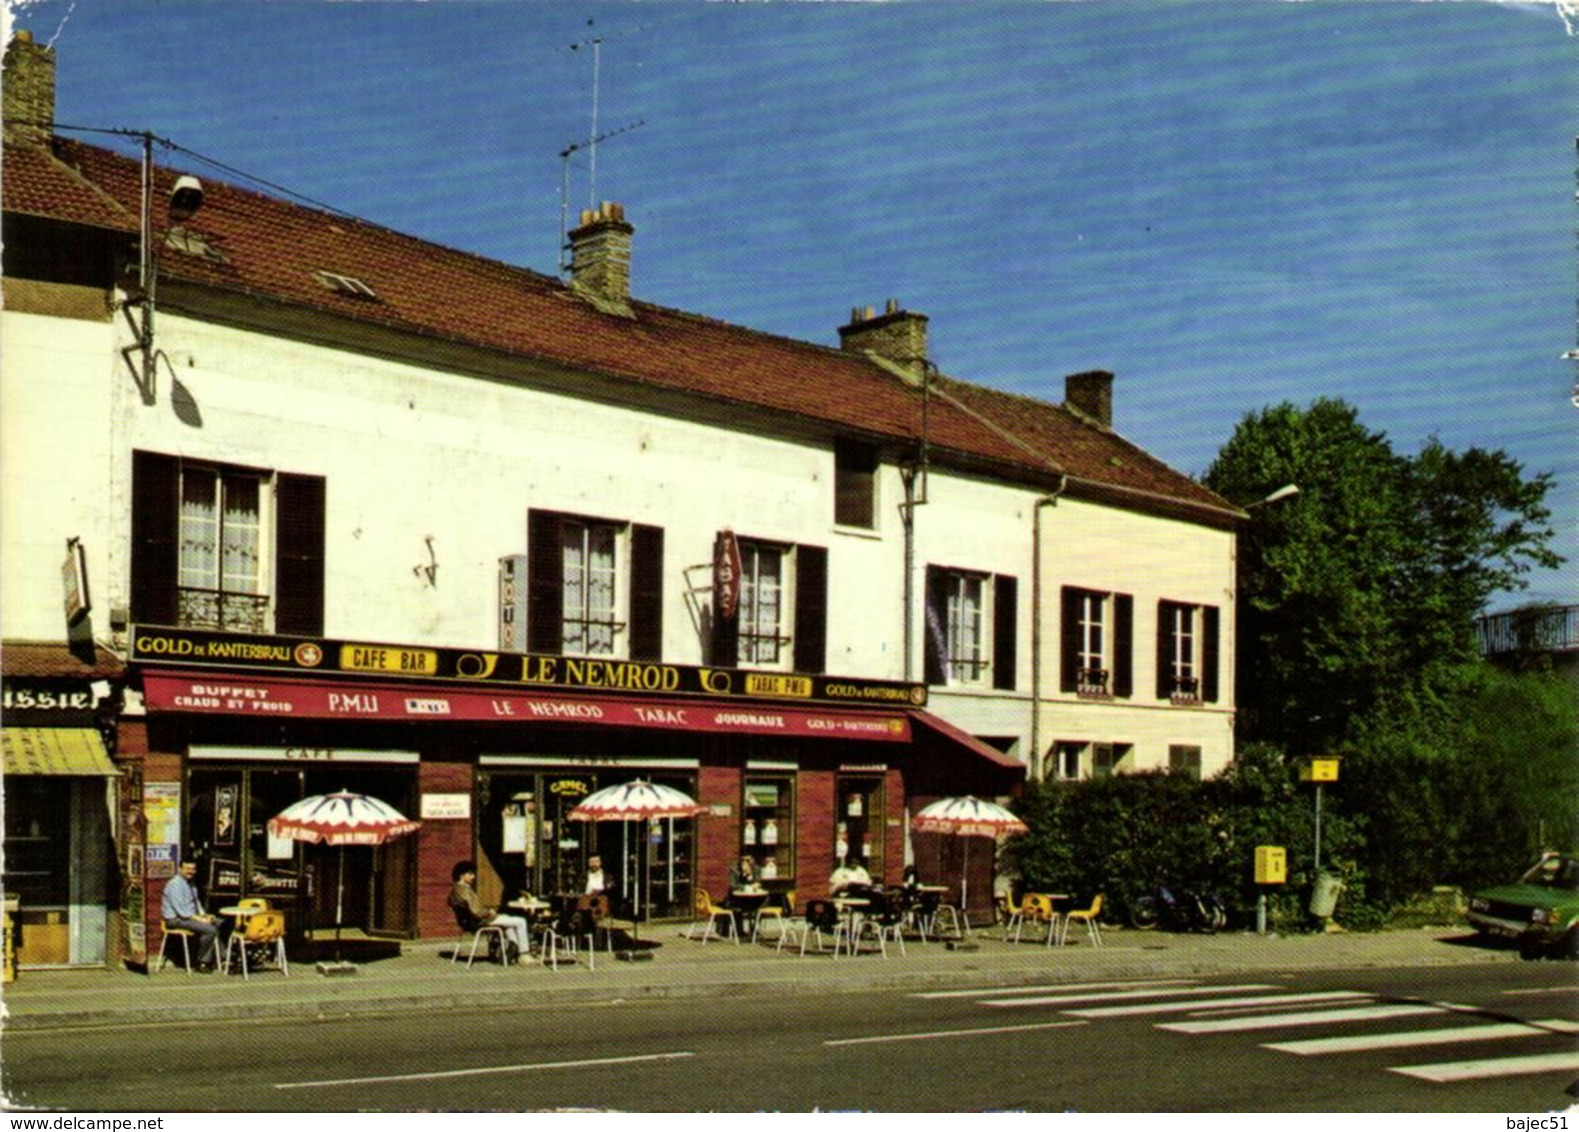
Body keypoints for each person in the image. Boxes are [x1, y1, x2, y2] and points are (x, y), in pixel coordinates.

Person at [448, 860, 533, 965]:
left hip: (468, 922)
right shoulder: (465, 891)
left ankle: (512, 948)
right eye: (470, 874)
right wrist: (490, 912)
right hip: (480, 920)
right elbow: (477, 911)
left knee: (508, 923)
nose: (473, 877)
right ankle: (524, 954)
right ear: (461, 875)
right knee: (521, 921)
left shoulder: (455, 891)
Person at [161, 859, 222, 970]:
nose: (191, 871)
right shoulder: (175, 885)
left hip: (189, 918)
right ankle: (202, 962)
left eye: (193, 869)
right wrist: (201, 920)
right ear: (180, 869)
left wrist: (204, 915)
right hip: (176, 919)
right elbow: (182, 912)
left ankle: (223, 958)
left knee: (220, 923)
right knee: (210, 930)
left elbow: (196, 903)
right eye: (187, 869)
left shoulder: (191, 883)